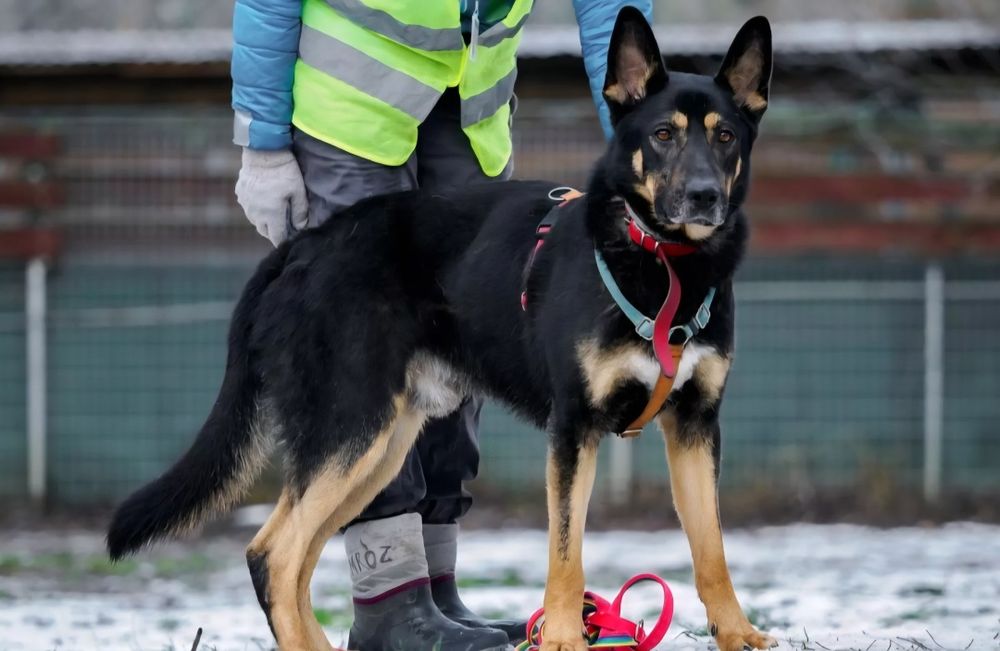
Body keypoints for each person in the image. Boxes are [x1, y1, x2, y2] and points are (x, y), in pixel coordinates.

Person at [231, 1, 651, 649]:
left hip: (470, 112)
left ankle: (434, 589)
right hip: (351, 114)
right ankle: (390, 602)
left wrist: (636, 144)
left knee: (466, 347)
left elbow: (611, 9)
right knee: (365, 383)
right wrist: (262, 138)